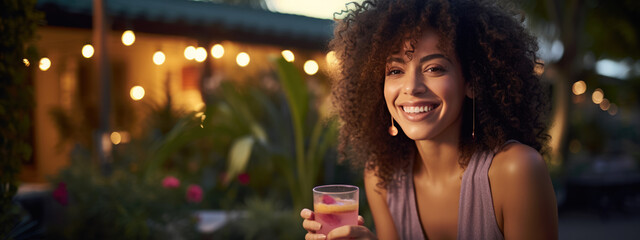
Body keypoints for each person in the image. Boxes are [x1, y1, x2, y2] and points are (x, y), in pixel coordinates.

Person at [301, 0, 558, 239]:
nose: (411, 87)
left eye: (434, 68)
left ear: (472, 82)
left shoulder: (517, 171)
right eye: (395, 70)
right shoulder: (382, 179)